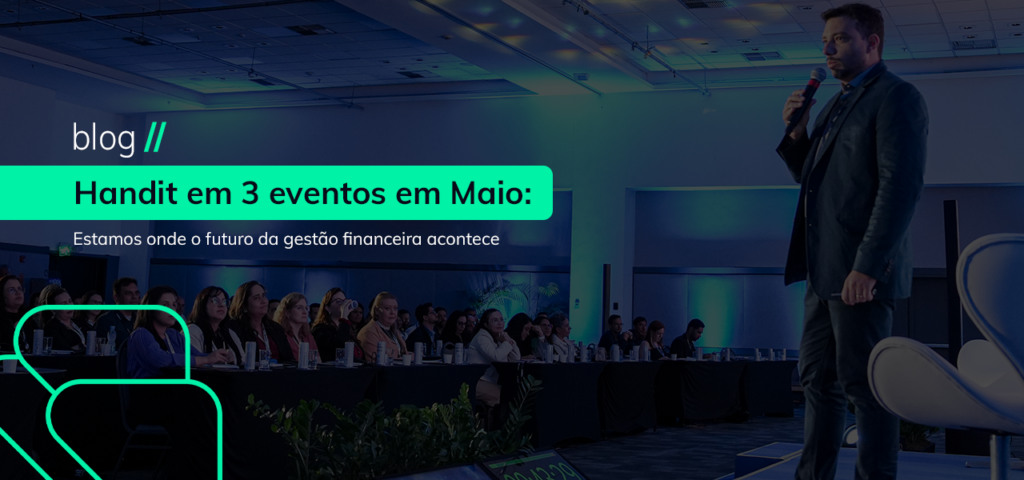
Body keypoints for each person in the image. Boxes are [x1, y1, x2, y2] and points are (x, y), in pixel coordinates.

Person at [778, 5, 927, 480]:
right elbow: (810, 179)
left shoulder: (897, 97)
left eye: (840, 38)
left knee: (866, 388)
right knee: (817, 383)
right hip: (822, 269)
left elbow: (900, 188)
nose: (827, 48)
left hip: (859, 273)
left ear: (873, 42)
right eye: (825, 40)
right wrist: (798, 132)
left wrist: (867, 265)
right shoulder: (835, 102)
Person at [128, 286, 229, 379]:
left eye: (173, 305)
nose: (172, 309)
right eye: (165, 305)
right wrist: (206, 360)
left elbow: (197, 356)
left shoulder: (174, 335)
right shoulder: (141, 334)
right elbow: (161, 361)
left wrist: (219, 357)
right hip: (149, 390)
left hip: (174, 389)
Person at [467, 309, 520, 406]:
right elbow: (496, 357)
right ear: (486, 325)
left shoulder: (497, 337)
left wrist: (508, 339)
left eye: (501, 319)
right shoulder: (482, 337)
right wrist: (505, 342)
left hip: (488, 380)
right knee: (504, 394)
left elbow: (515, 358)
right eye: (495, 320)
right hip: (476, 381)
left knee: (511, 391)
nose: (500, 323)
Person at [230, 281, 294, 362]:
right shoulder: (235, 328)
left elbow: (290, 360)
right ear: (244, 305)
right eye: (256, 298)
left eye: (263, 296)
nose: (263, 301)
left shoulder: (276, 328)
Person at [187, 286, 244, 365]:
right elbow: (192, 362)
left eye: (224, 301)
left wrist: (233, 357)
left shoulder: (231, 333)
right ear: (203, 304)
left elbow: (244, 361)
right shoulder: (192, 331)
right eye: (216, 300)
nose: (221, 305)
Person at [311, 288, 361, 362]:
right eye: (339, 301)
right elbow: (340, 345)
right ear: (328, 308)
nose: (343, 305)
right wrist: (344, 317)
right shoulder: (321, 330)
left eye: (344, 301)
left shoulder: (345, 327)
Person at [357, 292, 407, 363]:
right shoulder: (369, 332)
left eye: (395, 308)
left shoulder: (395, 331)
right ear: (377, 311)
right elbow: (378, 361)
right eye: (387, 308)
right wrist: (408, 359)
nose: (392, 312)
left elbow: (403, 354)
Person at [95, 277, 142, 349]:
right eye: (128, 293)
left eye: (136, 293)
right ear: (116, 297)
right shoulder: (106, 320)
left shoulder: (140, 320)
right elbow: (98, 350)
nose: (134, 297)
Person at [273, 293, 319, 362]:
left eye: (306, 308)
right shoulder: (281, 336)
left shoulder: (308, 337)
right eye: (299, 308)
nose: (305, 312)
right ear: (287, 312)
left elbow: (318, 362)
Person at [40, 285, 86, 353]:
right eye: (63, 304)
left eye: (70, 301)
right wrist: (81, 347)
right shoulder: (51, 328)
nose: (69, 306)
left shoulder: (80, 323)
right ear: (53, 309)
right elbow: (64, 350)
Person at [0, 275, 29, 352]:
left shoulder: (28, 319)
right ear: (2, 294)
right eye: (11, 290)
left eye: (20, 289)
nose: (18, 293)